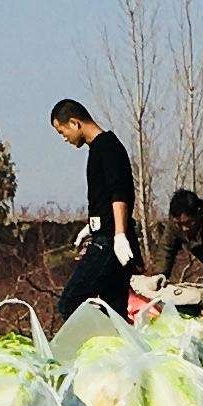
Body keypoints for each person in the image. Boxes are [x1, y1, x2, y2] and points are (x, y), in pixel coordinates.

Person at [50, 98, 138, 323]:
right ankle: (114, 351)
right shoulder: (97, 149)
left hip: (110, 242)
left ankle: (92, 347)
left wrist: (119, 234)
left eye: (62, 132)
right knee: (113, 309)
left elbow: (120, 193)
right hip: (104, 233)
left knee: (71, 302)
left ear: (74, 123)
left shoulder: (108, 147)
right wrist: (91, 225)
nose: (65, 139)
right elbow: (104, 198)